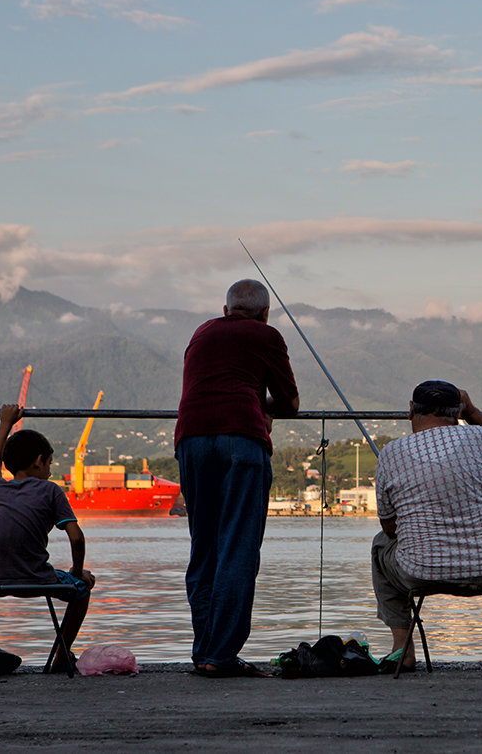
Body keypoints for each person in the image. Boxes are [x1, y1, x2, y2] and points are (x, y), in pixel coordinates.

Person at [371, 380, 482, 672]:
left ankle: (401, 651)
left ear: (410, 411)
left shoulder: (391, 453)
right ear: (457, 411)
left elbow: (390, 527)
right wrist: (475, 414)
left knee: (380, 544)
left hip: (419, 574)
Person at [175, 278, 299, 678]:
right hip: (242, 441)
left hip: (191, 439)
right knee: (239, 548)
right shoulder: (266, 334)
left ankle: (204, 650)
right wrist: (256, 399)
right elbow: (290, 403)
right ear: (265, 312)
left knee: (205, 547)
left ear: (225, 310)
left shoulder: (203, 331)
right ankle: (221, 655)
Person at [0, 404, 95, 675]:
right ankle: (61, 656)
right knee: (83, 588)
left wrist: (5, 423)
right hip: (39, 579)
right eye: (50, 463)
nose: (50, 470)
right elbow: (77, 537)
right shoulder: (51, 491)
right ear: (39, 461)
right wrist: (76, 571)